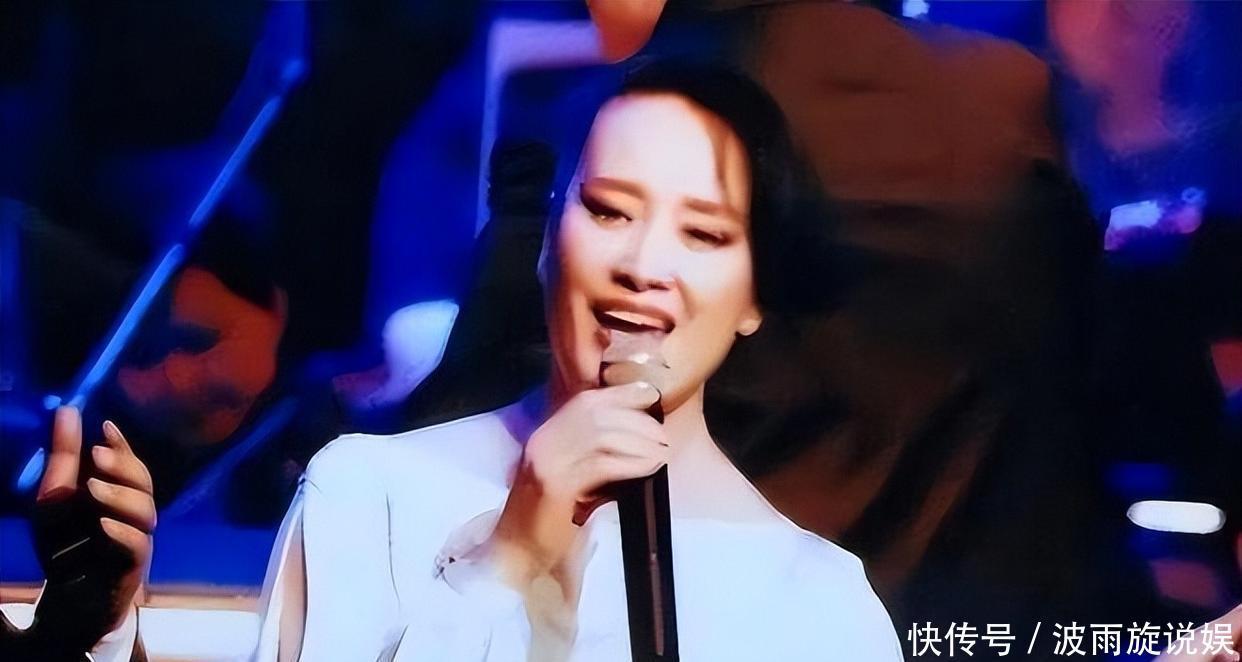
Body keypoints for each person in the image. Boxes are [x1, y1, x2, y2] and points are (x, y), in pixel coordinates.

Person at [17, 63, 904, 661]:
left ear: (754, 294)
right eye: (609, 210)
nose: (644, 265)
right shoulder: (369, 493)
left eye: (703, 234)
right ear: (547, 239)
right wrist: (503, 562)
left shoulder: (820, 605)